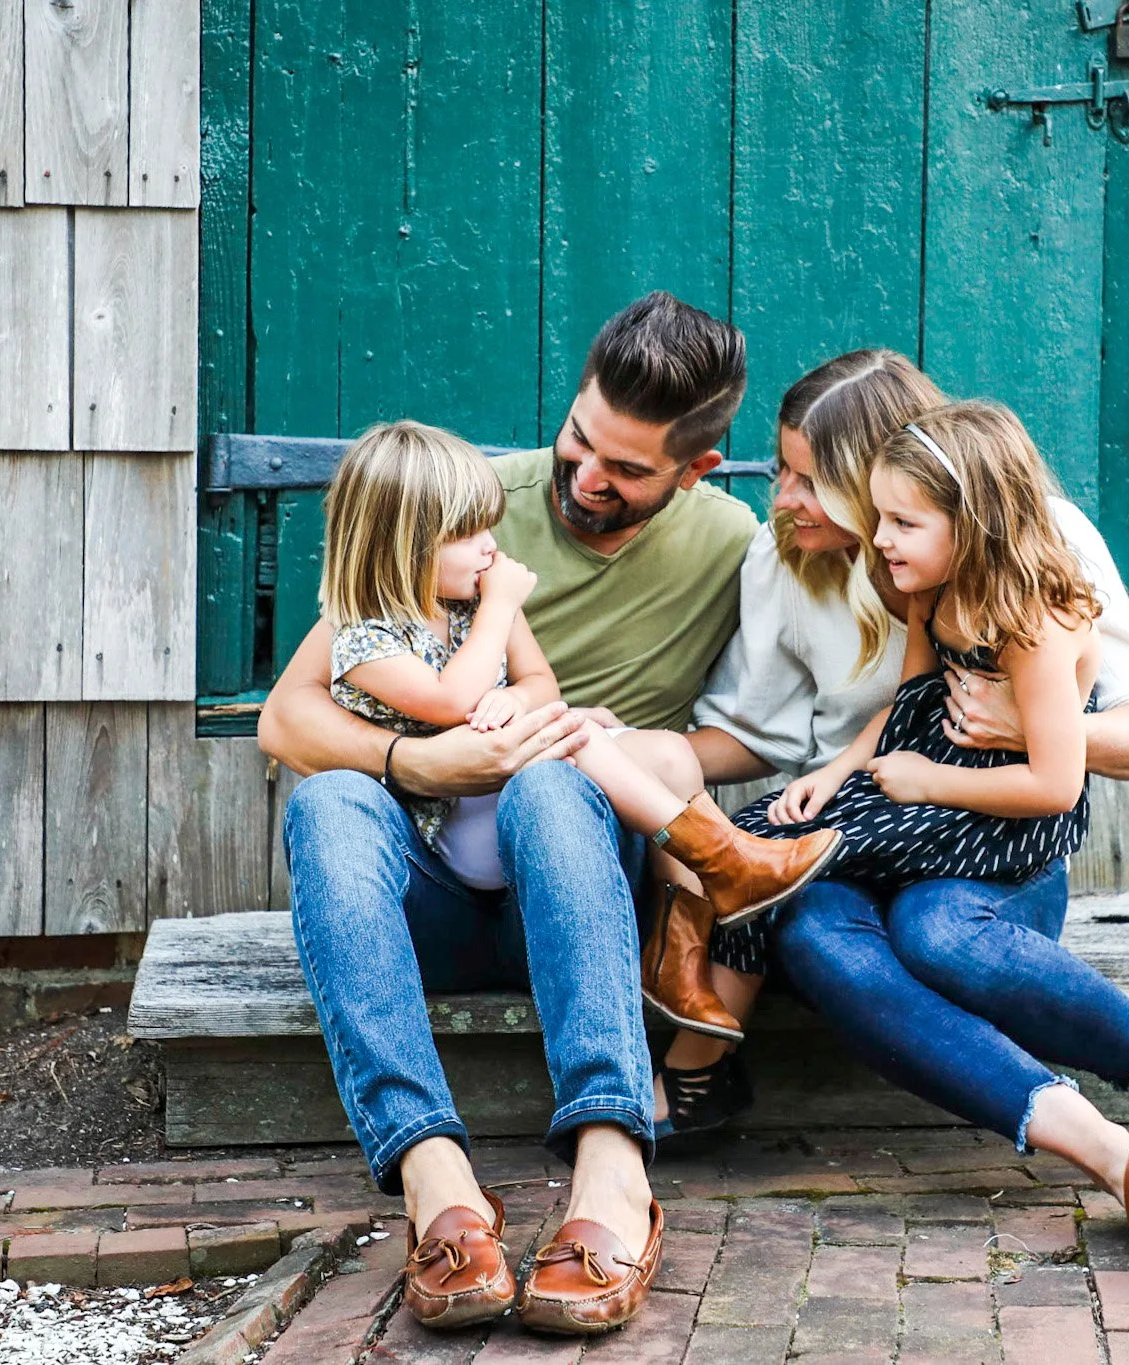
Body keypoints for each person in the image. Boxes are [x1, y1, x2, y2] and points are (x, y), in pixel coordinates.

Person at [658, 357, 1129, 1268]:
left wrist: (1028, 727)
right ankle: (1119, 1158)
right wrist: (654, 756)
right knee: (801, 925)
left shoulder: (1036, 549)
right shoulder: (797, 557)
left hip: (985, 843)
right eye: (784, 469)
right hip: (865, 827)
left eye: (809, 477)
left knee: (940, 931)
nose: (785, 496)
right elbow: (758, 727)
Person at [259, 293, 762, 1335]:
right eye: (579, 440)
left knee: (552, 779)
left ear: (694, 471)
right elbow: (287, 716)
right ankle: (434, 1178)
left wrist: (620, 743)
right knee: (332, 799)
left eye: (625, 471)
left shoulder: (732, 544)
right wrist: (421, 759)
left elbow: (784, 713)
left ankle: (612, 1168)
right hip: (428, 892)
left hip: (578, 884)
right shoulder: (456, 500)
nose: (584, 478)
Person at [318, 419, 840, 917]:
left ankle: (700, 908)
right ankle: (726, 861)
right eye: (467, 534)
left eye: (489, 529)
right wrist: (501, 609)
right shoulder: (365, 639)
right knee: (574, 735)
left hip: (520, 802)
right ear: (401, 546)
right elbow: (450, 701)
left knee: (663, 750)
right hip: (457, 828)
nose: (491, 547)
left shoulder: (475, 601)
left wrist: (516, 700)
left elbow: (541, 685)